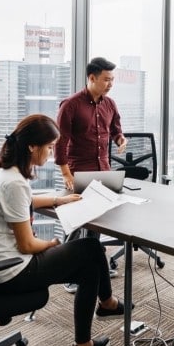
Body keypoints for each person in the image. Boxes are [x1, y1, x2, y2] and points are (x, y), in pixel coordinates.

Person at [0, 114, 127, 346]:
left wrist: (58, 200)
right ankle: (98, 318)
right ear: (32, 147)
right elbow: (27, 246)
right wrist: (53, 244)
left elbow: (23, 202)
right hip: (11, 272)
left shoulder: (6, 174)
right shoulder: (13, 183)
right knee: (89, 250)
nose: (52, 153)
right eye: (49, 147)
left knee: (89, 255)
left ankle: (96, 323)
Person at [54, 57, 127, 292]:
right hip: (78, 171)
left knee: (97, 221)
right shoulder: (71, 105)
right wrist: (66, 173)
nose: (110, 84)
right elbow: (60, 142)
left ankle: (93, 265)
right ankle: (67, 270)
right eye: (106, 79)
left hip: (102, 169)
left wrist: (120, 139)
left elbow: (115, 129)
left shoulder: (110, 104)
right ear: (92, 78)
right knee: (77, 221)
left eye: (112, 80)